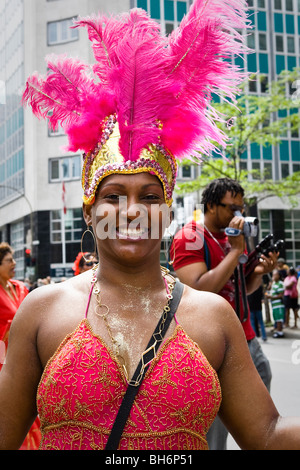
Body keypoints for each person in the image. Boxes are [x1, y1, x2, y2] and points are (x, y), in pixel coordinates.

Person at [1, 3, 300, 451]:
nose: (132, 211)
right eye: (113, 196)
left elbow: (266, 434)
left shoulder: (213, 317)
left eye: (150, 196)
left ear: (166, 211)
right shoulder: (41, 313)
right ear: (89, 211)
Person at [171, 178, 275, 449]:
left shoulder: (232, 236)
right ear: (210, 206)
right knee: (212, 438)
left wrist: (259, 274)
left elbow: (241, 288)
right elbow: (196, 290)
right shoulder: (191, 237)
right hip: (211, 349)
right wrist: (237, 250)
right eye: (232, 208)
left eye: (241, 208)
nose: (239, 215)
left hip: (247, 339)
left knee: (263, 428)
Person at [0, 243, 41, 450]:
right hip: (1, 355)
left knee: (32, 404)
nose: (14, 264)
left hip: (26, 353)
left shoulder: (21, 287)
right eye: (9, 260)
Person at [265, 270, 285, 338]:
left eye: (275, 275)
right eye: (273, 275)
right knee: (276, 319)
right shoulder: (273, 283)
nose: (273, 276)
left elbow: (281, 295)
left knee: (279, 319)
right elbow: (268, 290)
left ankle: (280, 332)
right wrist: (270, 285)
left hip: (279, 305)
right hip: (274, 305)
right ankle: (278, 331)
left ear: (279, 276)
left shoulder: (280, 283)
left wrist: (271, 297)